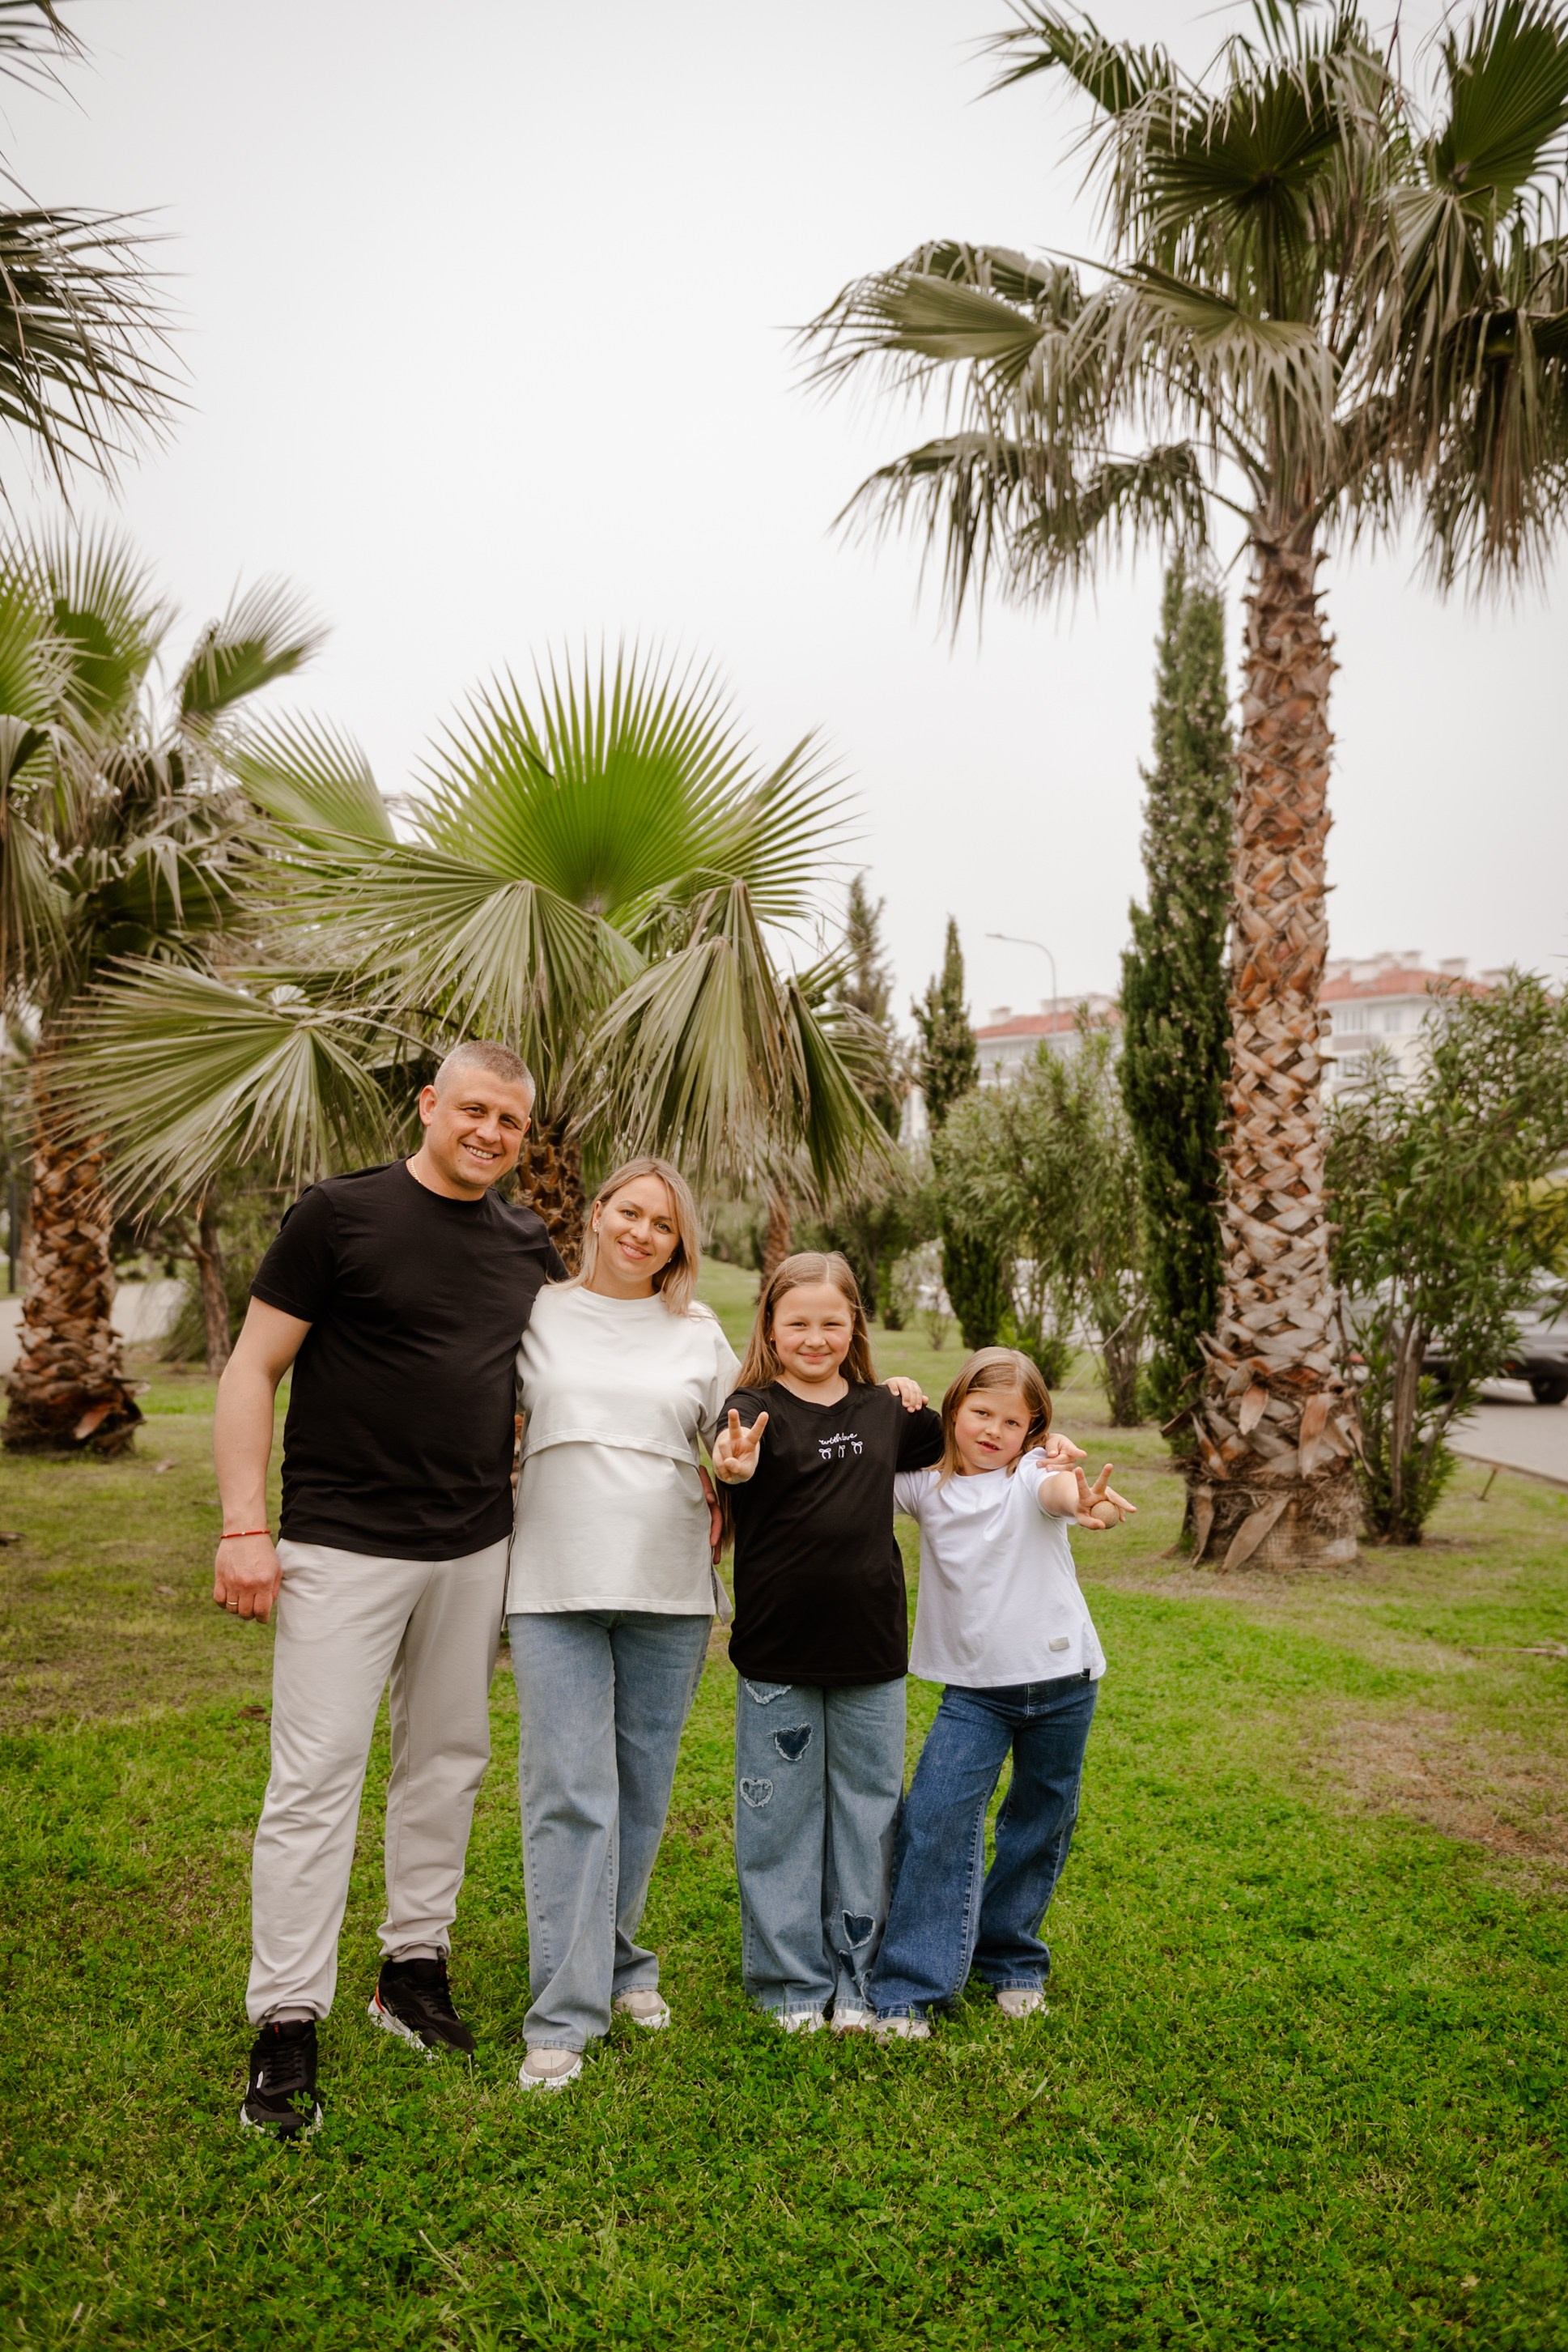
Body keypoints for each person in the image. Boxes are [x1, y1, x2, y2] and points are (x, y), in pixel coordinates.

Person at [215, 1041, 566, 2138]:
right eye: (473, 1110)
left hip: (473, 1548)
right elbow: (249, 1370)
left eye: (510, 1121)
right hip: (341, 1546)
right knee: (315, 1783)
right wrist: (243, 1526)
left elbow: (590, 1367)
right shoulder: (339, 1215)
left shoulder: (528, 1244)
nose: (490, 1133)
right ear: (429, 1105)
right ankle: (285, 2023)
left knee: (445, 1765)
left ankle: (411, 1970)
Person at [504, 1158, 740, 2092]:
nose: (642, 1233)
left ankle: (619, 1959)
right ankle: (563, 2012)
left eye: (664, 1225)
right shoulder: (538, 1311)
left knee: (639, 1791)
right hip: (553, 1581)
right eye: (629, 1213)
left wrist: (897, 1407)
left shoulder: (698, 1330)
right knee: (568, 1791)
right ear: (597, 1214)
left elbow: (743, 1430)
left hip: (669, 1586)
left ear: (679, 1244)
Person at [865, 1346, 1132, 2040]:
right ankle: (909, 1988)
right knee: (936, 1817)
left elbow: (1061, 1494)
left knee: (1038, 1822)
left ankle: (1011, 1960)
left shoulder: (1032, 1476)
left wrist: (1085, 1496)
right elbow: (859, 1461)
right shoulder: (924, 1488)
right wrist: (886, 1393)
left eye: (1012, 1422)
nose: (992, 1430)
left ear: (1032, 1430)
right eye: (980, 1413)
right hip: (975, 1693)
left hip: (1064, 1680)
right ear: (953, 1411)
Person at [712, 1252, 941, 2034]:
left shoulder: (888, 1410)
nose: (814, 1337)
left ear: (853, 1327)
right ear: (771, 1328)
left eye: (830, 1323)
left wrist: (912, 1392)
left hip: (871, 1650)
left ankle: (859, 1977)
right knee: (777, 1819)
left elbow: (967, 1452)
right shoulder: (750, 1408)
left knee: (868, 1812)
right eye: (797, 1322)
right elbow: (729, 1461)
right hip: (776, 1653)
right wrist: (731, 1467)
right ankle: (789, 1982)